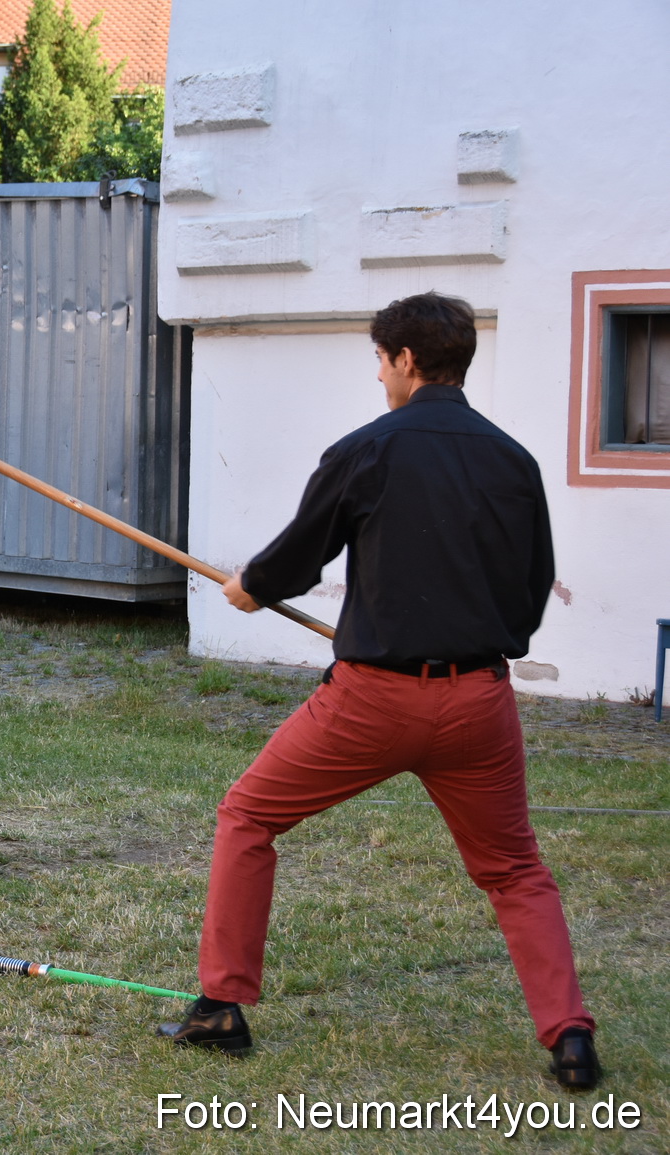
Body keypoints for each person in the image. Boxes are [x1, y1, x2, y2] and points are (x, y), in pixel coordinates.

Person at [156, 293, 599, 1092]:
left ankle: (222, 1005)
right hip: (480, 701)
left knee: (249, 814)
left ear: (404, 360)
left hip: (373, 702)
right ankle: (570, 1035)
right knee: (515, 870)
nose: (380, 375)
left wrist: (251, 586)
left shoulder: (368, 448)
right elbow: (531, 592)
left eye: (380, 360)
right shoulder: (514, 461)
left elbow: (299, 554)